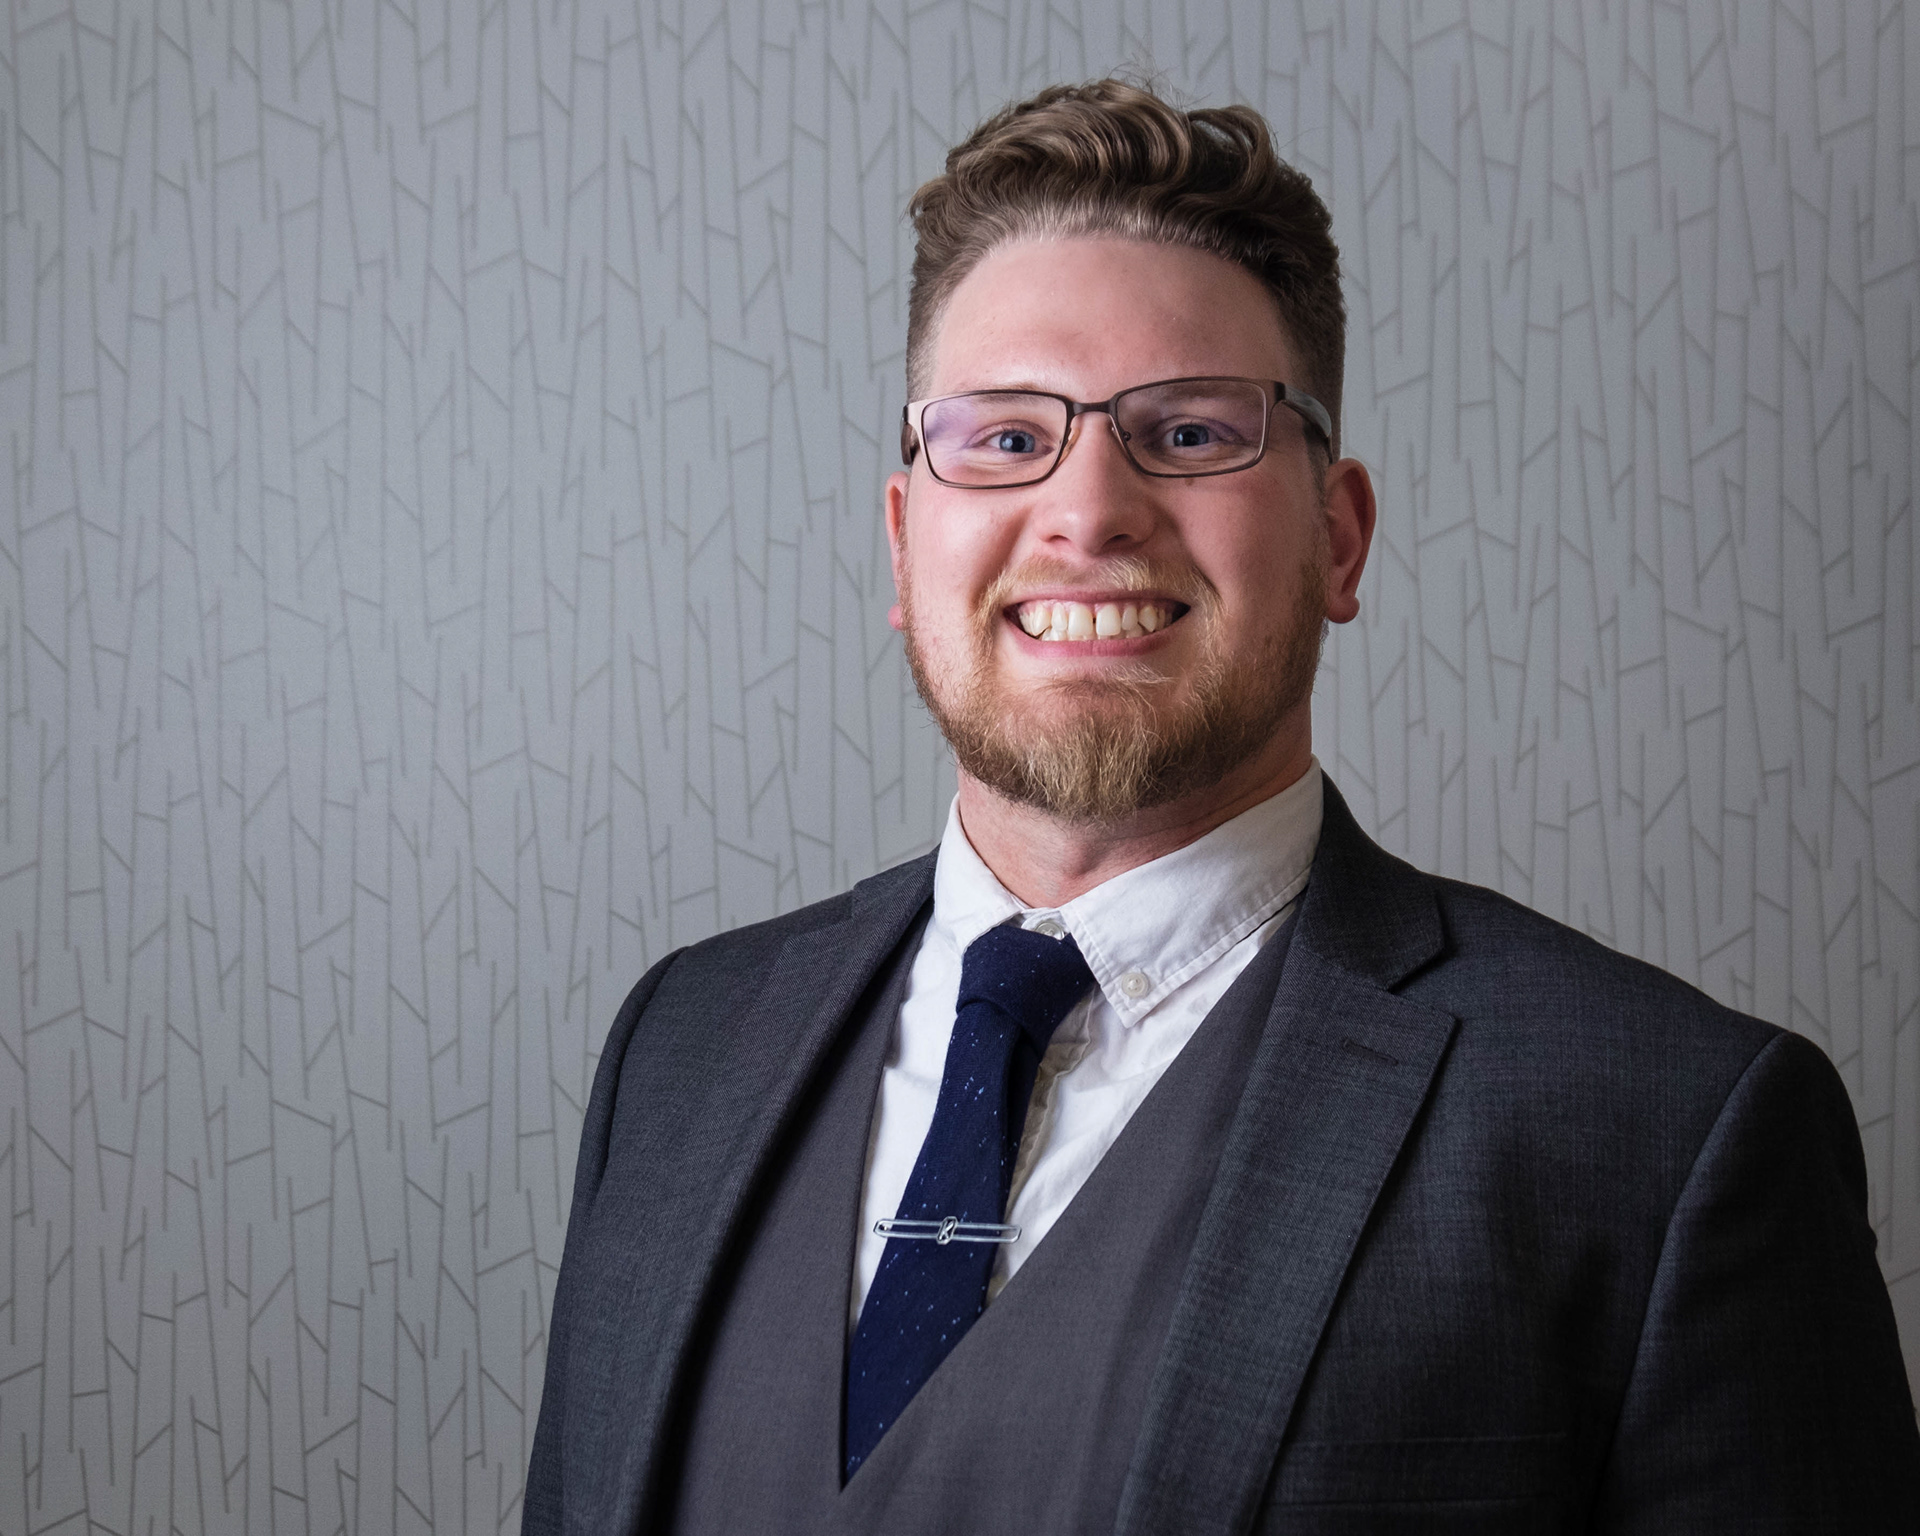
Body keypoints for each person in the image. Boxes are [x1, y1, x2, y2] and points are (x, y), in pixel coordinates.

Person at [522, 79, 1920, 1534]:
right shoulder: (679, 1051)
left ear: (1338, 538)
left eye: (1190, 433)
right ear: (902, 541)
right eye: (1005, 438)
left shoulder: (1664, 1128)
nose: (1088, 509)